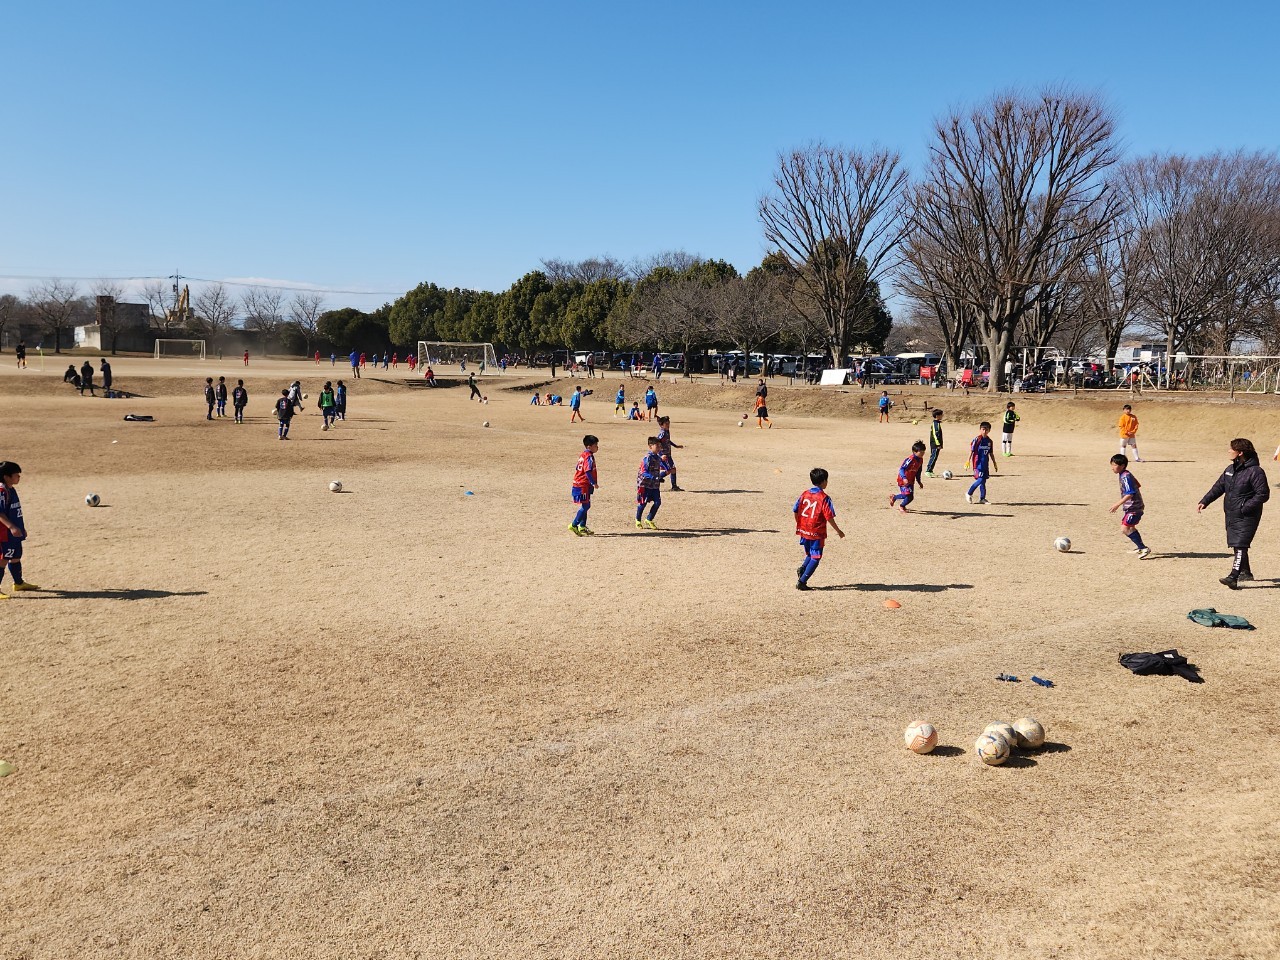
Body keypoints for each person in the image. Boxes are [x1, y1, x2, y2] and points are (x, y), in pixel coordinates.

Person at [1198, 438, 1269, 589]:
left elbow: (1263, 494)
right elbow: (1218, 487)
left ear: (1240, 453)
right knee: (1237, 543)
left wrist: (1245, 507)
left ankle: (1233, 577)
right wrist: (1205, 501)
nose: (1228, 451)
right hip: (1231, 513)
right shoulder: (1230, 469)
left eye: (1231, 449)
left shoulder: (1256, 471)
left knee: (1241, 544)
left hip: (1247, 515)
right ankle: (1246, 572)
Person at [793, 467, 845, 591]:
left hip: (804, 529)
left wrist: (799, 523)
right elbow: (829, 517)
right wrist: (838, 531)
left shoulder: (805, 494)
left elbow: (795, 509)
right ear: (823, 481)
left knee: (810, 553)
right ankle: (802, 581)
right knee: (816, 557)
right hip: (816, 531)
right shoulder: (824, 498)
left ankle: (802, 568)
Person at [0, 461, 38, 597]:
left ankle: (18, 583)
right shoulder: (1, 491)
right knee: (3, 559)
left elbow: (15, 511)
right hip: (5, 533)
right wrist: (11, 527)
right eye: (16, 475)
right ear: (6, 476)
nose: (19, 477)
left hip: (15, 532)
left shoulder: (11, 489)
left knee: (16, 556)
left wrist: (21, 528)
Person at [1109, 454, 1150, 559]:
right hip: (1133, 506)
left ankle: (1143, 548)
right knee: (1131, 527)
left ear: (1122, 466)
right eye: (1111, 464)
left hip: (1134, 508)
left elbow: (1130, 493)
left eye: (1114, 465)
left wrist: (1117, 504)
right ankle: (1140, 547)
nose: (1112, 467)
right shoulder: (1126, 474)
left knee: (1125, 528)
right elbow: (1137, 485)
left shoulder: (1125, 476)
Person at [569, 434, 600, 536]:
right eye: (595, 445)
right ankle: (574, 524)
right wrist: (593, 482)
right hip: (583, 484)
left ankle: (582, 526)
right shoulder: (589, 456)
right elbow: (587, 471)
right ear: (589, 446)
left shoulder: (583, 454)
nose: (597, 447)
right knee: (586, 505)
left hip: (580, 483)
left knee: (585, 504)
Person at [635, 437, 668, 530]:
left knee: (658, 502)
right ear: (650, 446)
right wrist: (654, 477)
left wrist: (666, 470)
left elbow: (663, 467)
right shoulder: (647, 458)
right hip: (645, 485)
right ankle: (638, 520)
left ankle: (649, 519)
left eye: (660, 446)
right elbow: (643, 472)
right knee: (643, 503)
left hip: (654, 485)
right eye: (657, 446)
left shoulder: (657, 457)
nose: (659, 448)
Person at [966, 421, 998, 504]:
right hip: (977, 464)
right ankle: (969, 493)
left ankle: (982, 498)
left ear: (989, 431)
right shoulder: (977, 439)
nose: (984, 431)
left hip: (985, 464)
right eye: (983, 429)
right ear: (980, 429)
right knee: (980, 479)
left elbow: (991, 453)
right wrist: (967, 461)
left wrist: (994, 463)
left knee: (983, 481)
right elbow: (971, 451)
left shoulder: (990, 441)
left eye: (986, 430)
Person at [891, 441, 927, 513]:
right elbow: (902, 469)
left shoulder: (920, 460)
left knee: (910, 497)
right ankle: (901, 506)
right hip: (903, 479)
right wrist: (904, 478)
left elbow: (918, 471)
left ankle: (895, 498)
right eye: (921, 451)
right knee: (907, 494)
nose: (923, 453)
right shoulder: (910, 459)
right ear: (914, 452)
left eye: (924, 451)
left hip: (911, 480)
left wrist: (919, 481)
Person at [656, 416, 684, 490]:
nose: (668, 425)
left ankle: (674, 486)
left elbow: (668, 441)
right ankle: (655, 478)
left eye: (669, 423)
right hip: (664, 456)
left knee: (673, 469)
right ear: (661, 425)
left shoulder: (667, 432)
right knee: (669, 470)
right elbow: (657, 442)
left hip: (668, 455)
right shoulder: (662, 433)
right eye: (666, 424)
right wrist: (661, 454)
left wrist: (676, 446)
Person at [925, 409, 944, 477]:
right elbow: (935, 435)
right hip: (935, 444)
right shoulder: (936, 424)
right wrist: (938, 444)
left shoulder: (937, 423)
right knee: (933, 456)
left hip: (935, 444)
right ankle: (928, 470)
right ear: (937, 416)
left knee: (934, 457)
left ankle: (930, 470)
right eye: (941, 415)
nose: (942, 416)